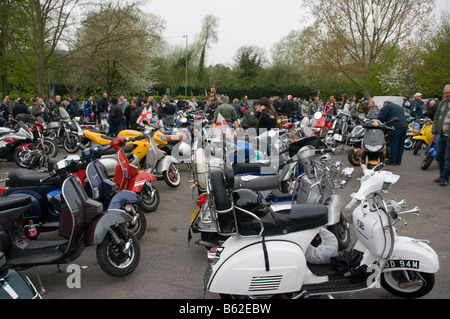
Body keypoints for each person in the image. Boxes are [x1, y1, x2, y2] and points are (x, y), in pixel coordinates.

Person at [377, 100, 408, 165]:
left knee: (394, 144)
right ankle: (398, 160)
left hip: (395, 126)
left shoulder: (386, 107)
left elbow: (381, 118)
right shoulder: (399, 107)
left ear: (385, 104)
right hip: (405, 125)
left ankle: (392, 161)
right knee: (401, 144)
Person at [431, 84, 450, 186]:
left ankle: (445, 177)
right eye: (446, 93)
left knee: (448, 158)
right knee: (439, 155)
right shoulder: (443, 103)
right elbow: (437, 117)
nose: (447, 95)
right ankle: (442, 174)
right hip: (442, 134)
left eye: (449, 93)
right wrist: (434, 132)